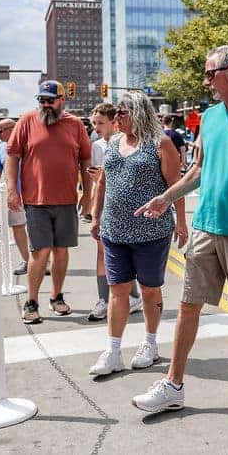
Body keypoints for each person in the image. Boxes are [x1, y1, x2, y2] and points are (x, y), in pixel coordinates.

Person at [131, 45, 228, 419]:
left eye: (210, 73)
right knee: (188, 305)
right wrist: (166, 198)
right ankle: (173, 385)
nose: (206, 81)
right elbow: (197, 169)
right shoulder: (210, 117)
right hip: (205, 228)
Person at [88, 93, 188, 375]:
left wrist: (180, 221)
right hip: (114, 230)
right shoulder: (114, 143)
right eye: (116, 113)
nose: (117, 118)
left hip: (151, 232)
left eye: (122, 112)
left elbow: (175, 185)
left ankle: (150, 343)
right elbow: (103, 182)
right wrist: (96, 216)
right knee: (117, 289)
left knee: (149, 288)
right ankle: (114, 350)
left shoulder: (161, 144)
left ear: (139, 113)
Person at [6, 81, 92, 324]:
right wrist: (13, 190)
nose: (45, 105)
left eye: (50, 100)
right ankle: (31, 301)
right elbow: (12, 156)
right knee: (40, 251)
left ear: (62, 100)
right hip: (36, 201)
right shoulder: (26, 121)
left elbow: (85, 160)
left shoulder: (75, 125)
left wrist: (88, 194)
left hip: (66, 199)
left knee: (61, 251)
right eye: (41, 100)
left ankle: (56, 296)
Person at [87, 103, 142, 322]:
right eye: (94, 123)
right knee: (103, 252)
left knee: (127, 252)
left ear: (114, 122)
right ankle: (105, 298)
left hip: (123, 205)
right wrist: (93, 209)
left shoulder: (127, 142)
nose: (96, 127)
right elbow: (98, 181)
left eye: (101, 123)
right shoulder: (98, 146)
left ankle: (133, 295)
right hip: (104, 203)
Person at [0, 119, 30, 275]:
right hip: (14, 196)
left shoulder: (29, 143)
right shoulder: (0, 148)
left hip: (35, 194)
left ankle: (43, 262)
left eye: (0, 131)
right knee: (18, 227)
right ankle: (28, 261)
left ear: (12, 129)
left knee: (37, 228)